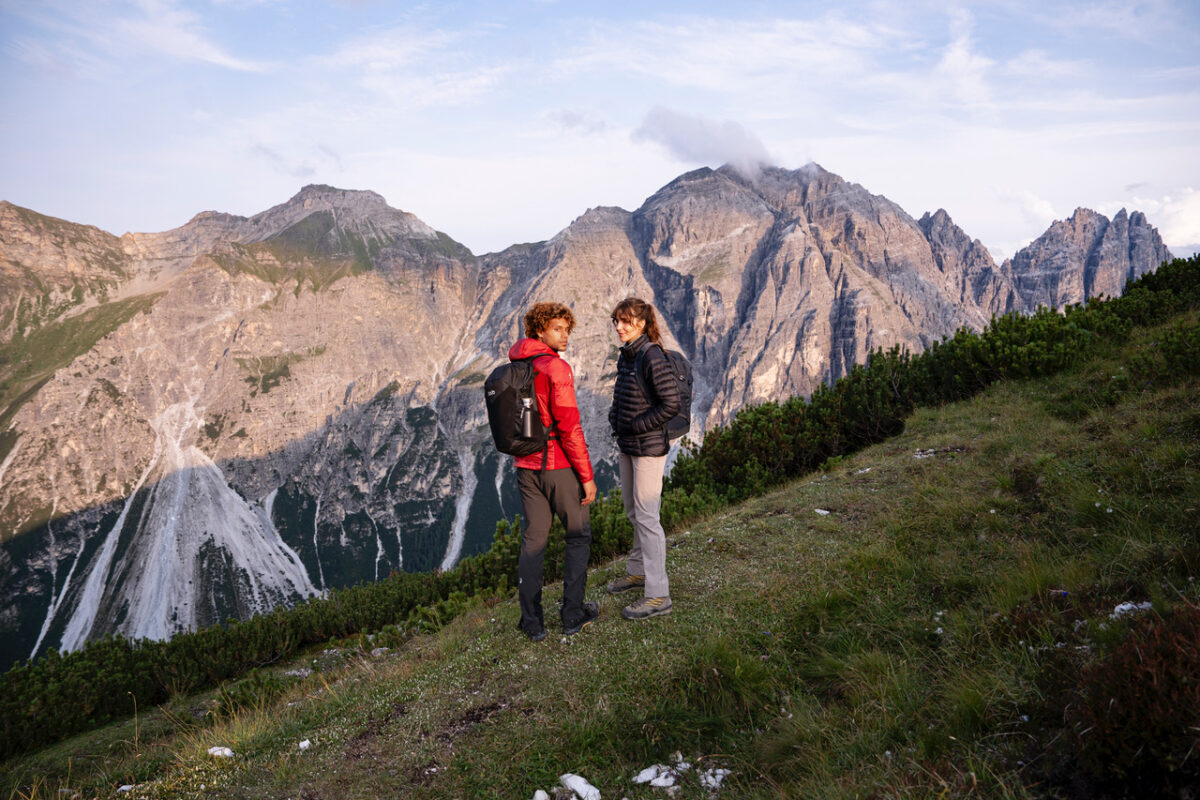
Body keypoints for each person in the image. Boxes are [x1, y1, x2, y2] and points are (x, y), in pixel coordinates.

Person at [508, 301, 599, 641]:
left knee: (534, 541)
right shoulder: (556, 369)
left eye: (567, 329)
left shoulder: (516, 364)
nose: (565, 336)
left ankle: (532, 623)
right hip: (558, 465)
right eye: (558, 329)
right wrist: (586, 477)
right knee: (577, 535)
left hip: (524, 465)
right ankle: (573, 615)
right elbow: (570, 427)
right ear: (539, 330)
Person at [607, 297, 682, 619]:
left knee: (648, 517)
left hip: (649, 447)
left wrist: (637, 425)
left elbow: (670, 403)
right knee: (632, 510)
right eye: (617, 321)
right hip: (628, 444)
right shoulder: (628, 355)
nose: (619, 327)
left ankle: (658, 595)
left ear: (641, 323)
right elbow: (624, 394)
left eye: (625, 321)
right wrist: (615, 417)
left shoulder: (651, 355)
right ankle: (638, 572)